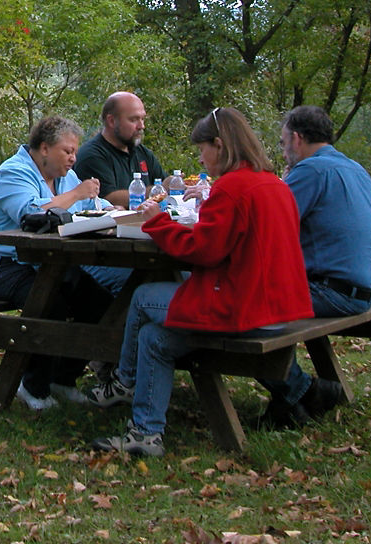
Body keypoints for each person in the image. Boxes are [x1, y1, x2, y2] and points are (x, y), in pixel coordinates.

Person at [84, 107, 313, 457]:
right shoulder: (273, 183)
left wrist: (158, 222)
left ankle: (124, 382)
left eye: (202, 150)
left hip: (244, 307)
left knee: (144, 297)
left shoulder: (232, 188)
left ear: (219, 145)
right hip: (280, 305)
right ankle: (145, 435)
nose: (201, 159)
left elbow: (202, 251)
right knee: (154, 337)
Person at [258, 105, 371, 428]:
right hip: (363, 287)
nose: (283, 150)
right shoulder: (354, 167)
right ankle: (300, 394)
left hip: (332, 291)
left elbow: (266, 226)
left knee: (240, 307)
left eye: (284, 142)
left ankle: (301, 391)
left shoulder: (311, 172)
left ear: (297, 139)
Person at [0, 115, 110, 410]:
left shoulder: (65, 177)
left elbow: (93, 206)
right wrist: (76, 194)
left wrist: (120, 209)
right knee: (51, 304)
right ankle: (32, 386)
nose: (73, 158)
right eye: (67, 151)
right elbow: (32, 215)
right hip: (0, 266)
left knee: (97, 302)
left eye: (74, 152)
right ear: (44, 148)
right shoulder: (13, 173)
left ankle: (63, 378)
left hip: (48, 264)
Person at [75, 92, 166, 209]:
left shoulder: (141, 152)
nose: (141, 126)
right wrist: (158, 191)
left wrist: (174, 183)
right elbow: (108, 198)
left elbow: (162, 182)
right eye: (134, 120)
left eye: (142, 119)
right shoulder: (92, 155)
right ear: (111, 121)